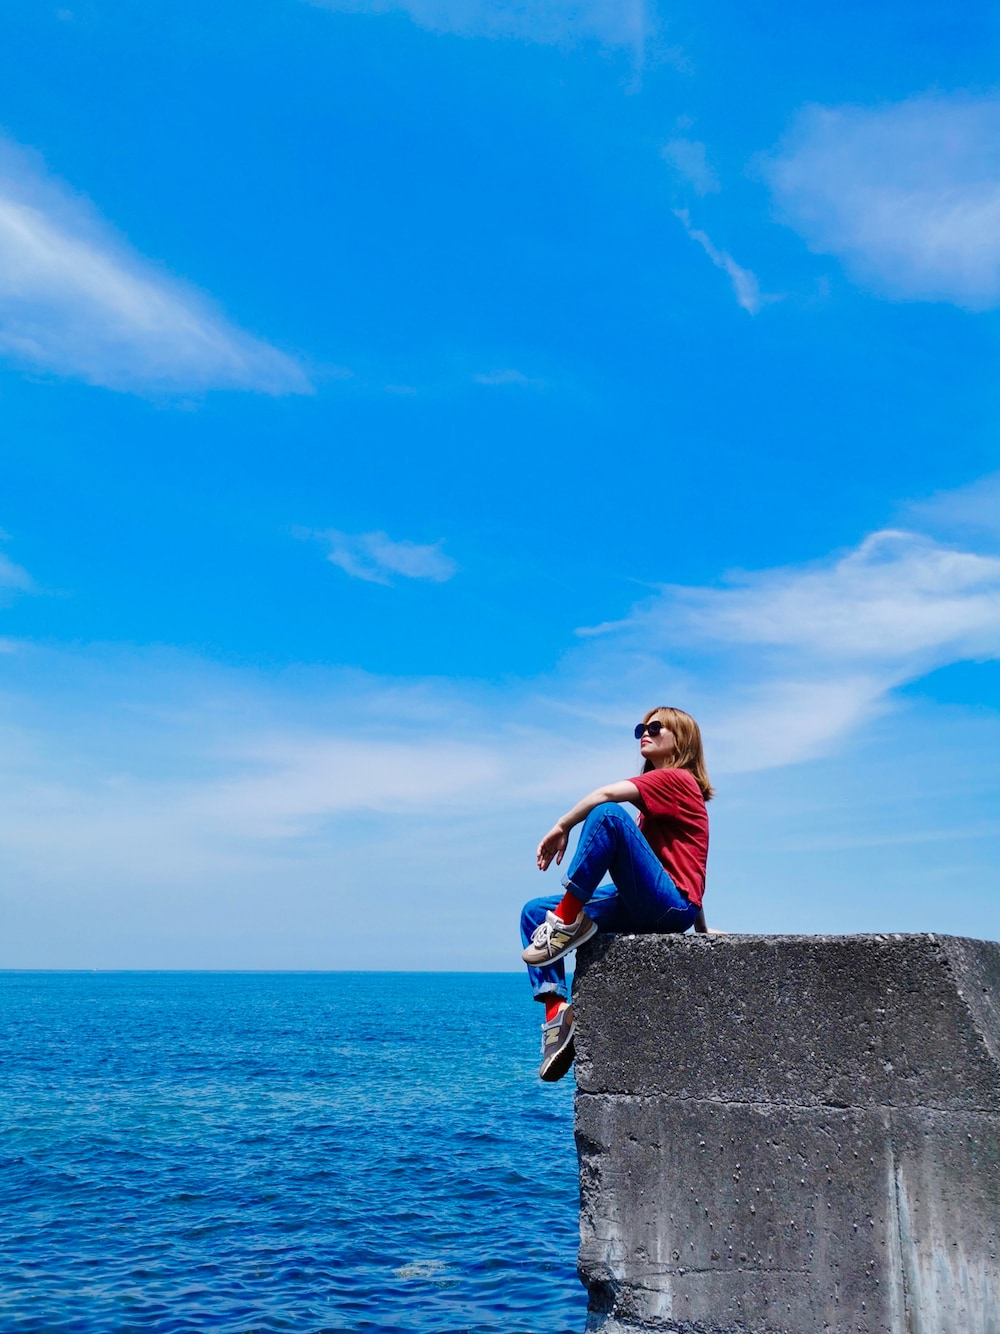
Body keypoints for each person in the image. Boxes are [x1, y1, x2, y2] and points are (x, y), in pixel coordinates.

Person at [520, 705, 714, 1083]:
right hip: (650, 903)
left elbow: (606, 794)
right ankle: (557, 1014)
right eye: (641, 728)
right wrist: (703, 930)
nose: (645, 733)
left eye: (656, 728)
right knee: (532, 913)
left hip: (668, 906)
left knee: (608, 814)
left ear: (681, 740)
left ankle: (566, 921)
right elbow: (691, 864)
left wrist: (562, 825)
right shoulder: (657, 802)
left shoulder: (678, 779)